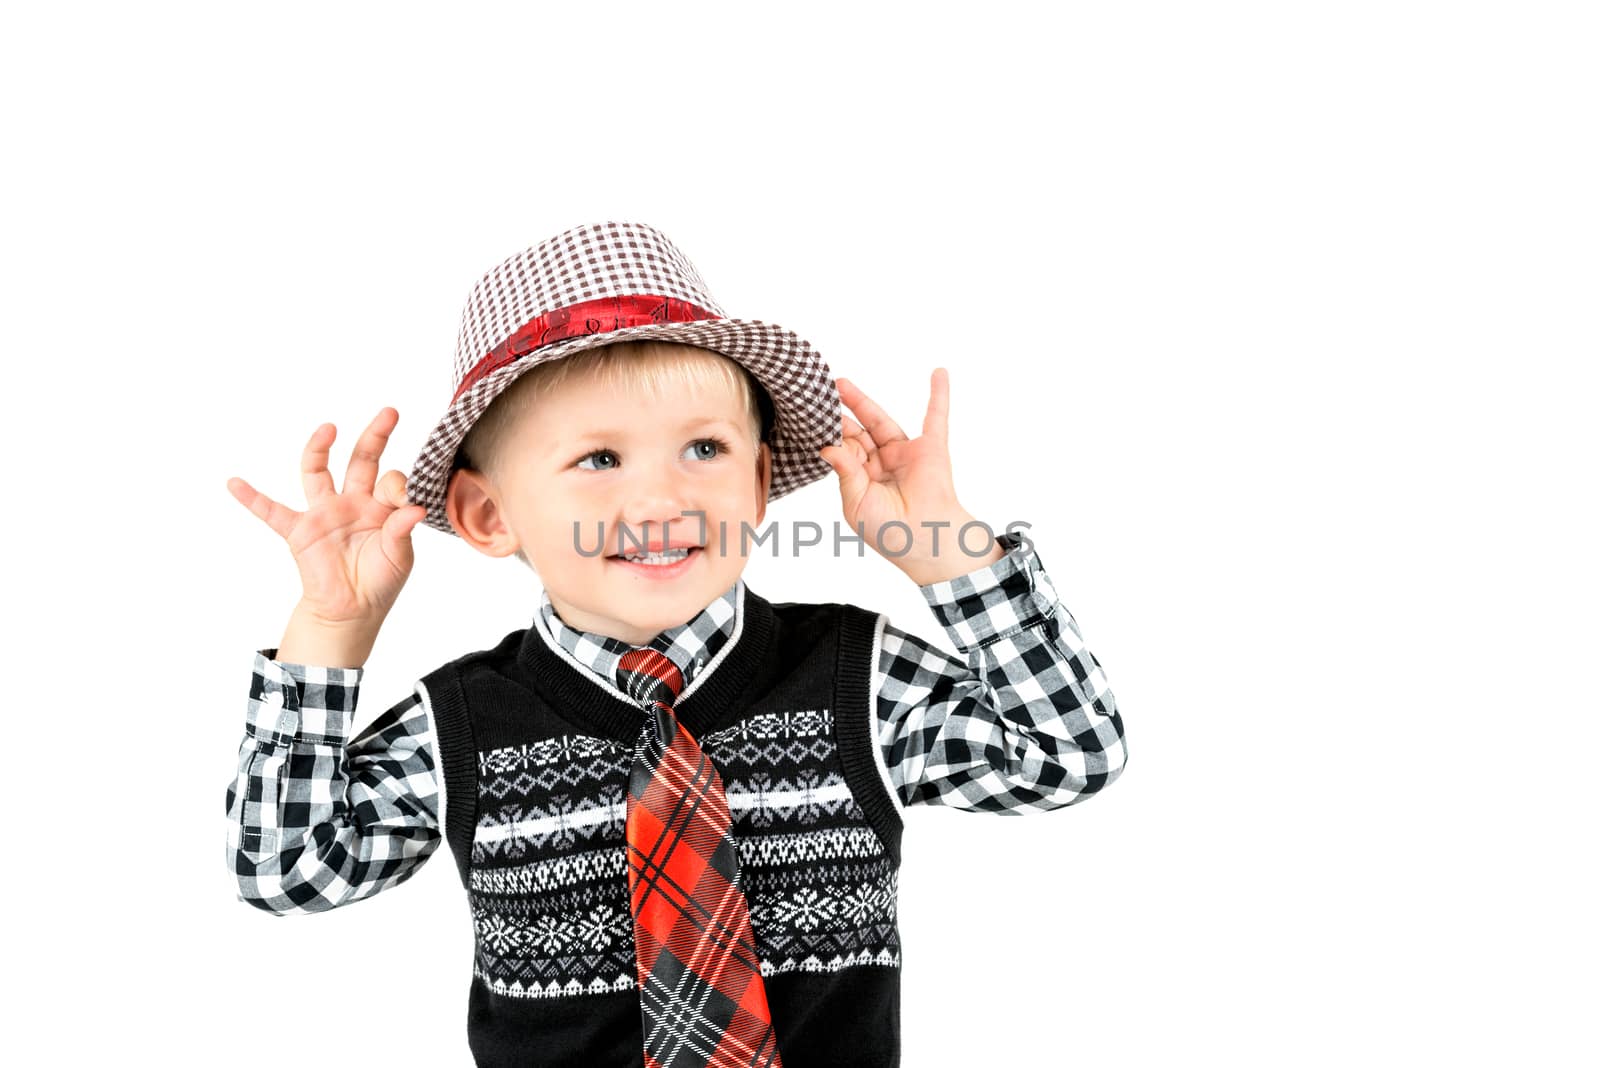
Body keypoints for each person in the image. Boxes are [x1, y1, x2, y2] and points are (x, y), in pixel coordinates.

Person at [223, 220, 1128, 1068]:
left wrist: (953, 557)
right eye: (600, 460)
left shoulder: (857, 676)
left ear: (763, 478)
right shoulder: (461, 723)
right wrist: (329, 635)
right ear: (490, 515)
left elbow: (1067, 754)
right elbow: (285, 871)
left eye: (704, 448)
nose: (662, 499)